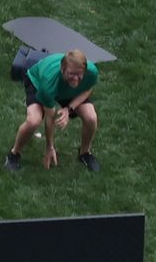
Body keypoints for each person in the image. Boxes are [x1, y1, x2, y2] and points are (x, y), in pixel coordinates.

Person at [8, 43, 98, 173]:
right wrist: (50, 147)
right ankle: (13, 154)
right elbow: (50, 117)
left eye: (79, 74)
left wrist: (69, 108)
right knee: (33, 121)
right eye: (71, 74)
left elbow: (88, 89)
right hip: (37, 82)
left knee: (91, 117)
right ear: (63, 70)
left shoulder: (91, 71)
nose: (76, 78)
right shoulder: (49, 82)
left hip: (67, 90)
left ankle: (85, 153)